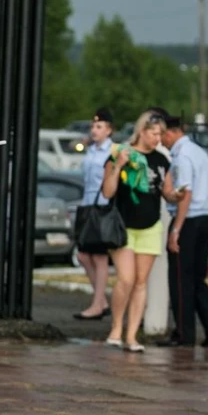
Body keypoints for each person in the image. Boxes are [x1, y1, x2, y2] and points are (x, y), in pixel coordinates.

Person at [101, 111, 178, 352]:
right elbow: (107, 192)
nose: (157, 138)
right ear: (142, 131)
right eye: (153, 133)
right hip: (123, 227)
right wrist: (119, 166)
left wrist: (178, 195)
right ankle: (116, 327)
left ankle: (132, 334)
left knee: (141, 282)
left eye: (160, 134)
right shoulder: (120, 153)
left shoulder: (161, 160)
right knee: (126, 279)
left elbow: (167, 191)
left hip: (150, 226)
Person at [159, 113, 208, 348]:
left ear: (170, 133)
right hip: (203, 219)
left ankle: (184, 334)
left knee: (180, 280)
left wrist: (176, 229)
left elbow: (185, 193)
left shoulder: (182, 156)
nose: (161, 142)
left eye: (161, 136)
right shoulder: (198, 151)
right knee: (197, 280)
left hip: (187, 220)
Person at [73, 108, 114, 321]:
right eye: (93, 126)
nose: (94, 130)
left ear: (109, 130)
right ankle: (102, 301)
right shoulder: (91, 150)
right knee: (82, 255)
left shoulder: (111, 151)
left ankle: (97, 304)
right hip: (87, 205)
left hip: (102, 206)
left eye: (99, 127)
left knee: (99, 257)